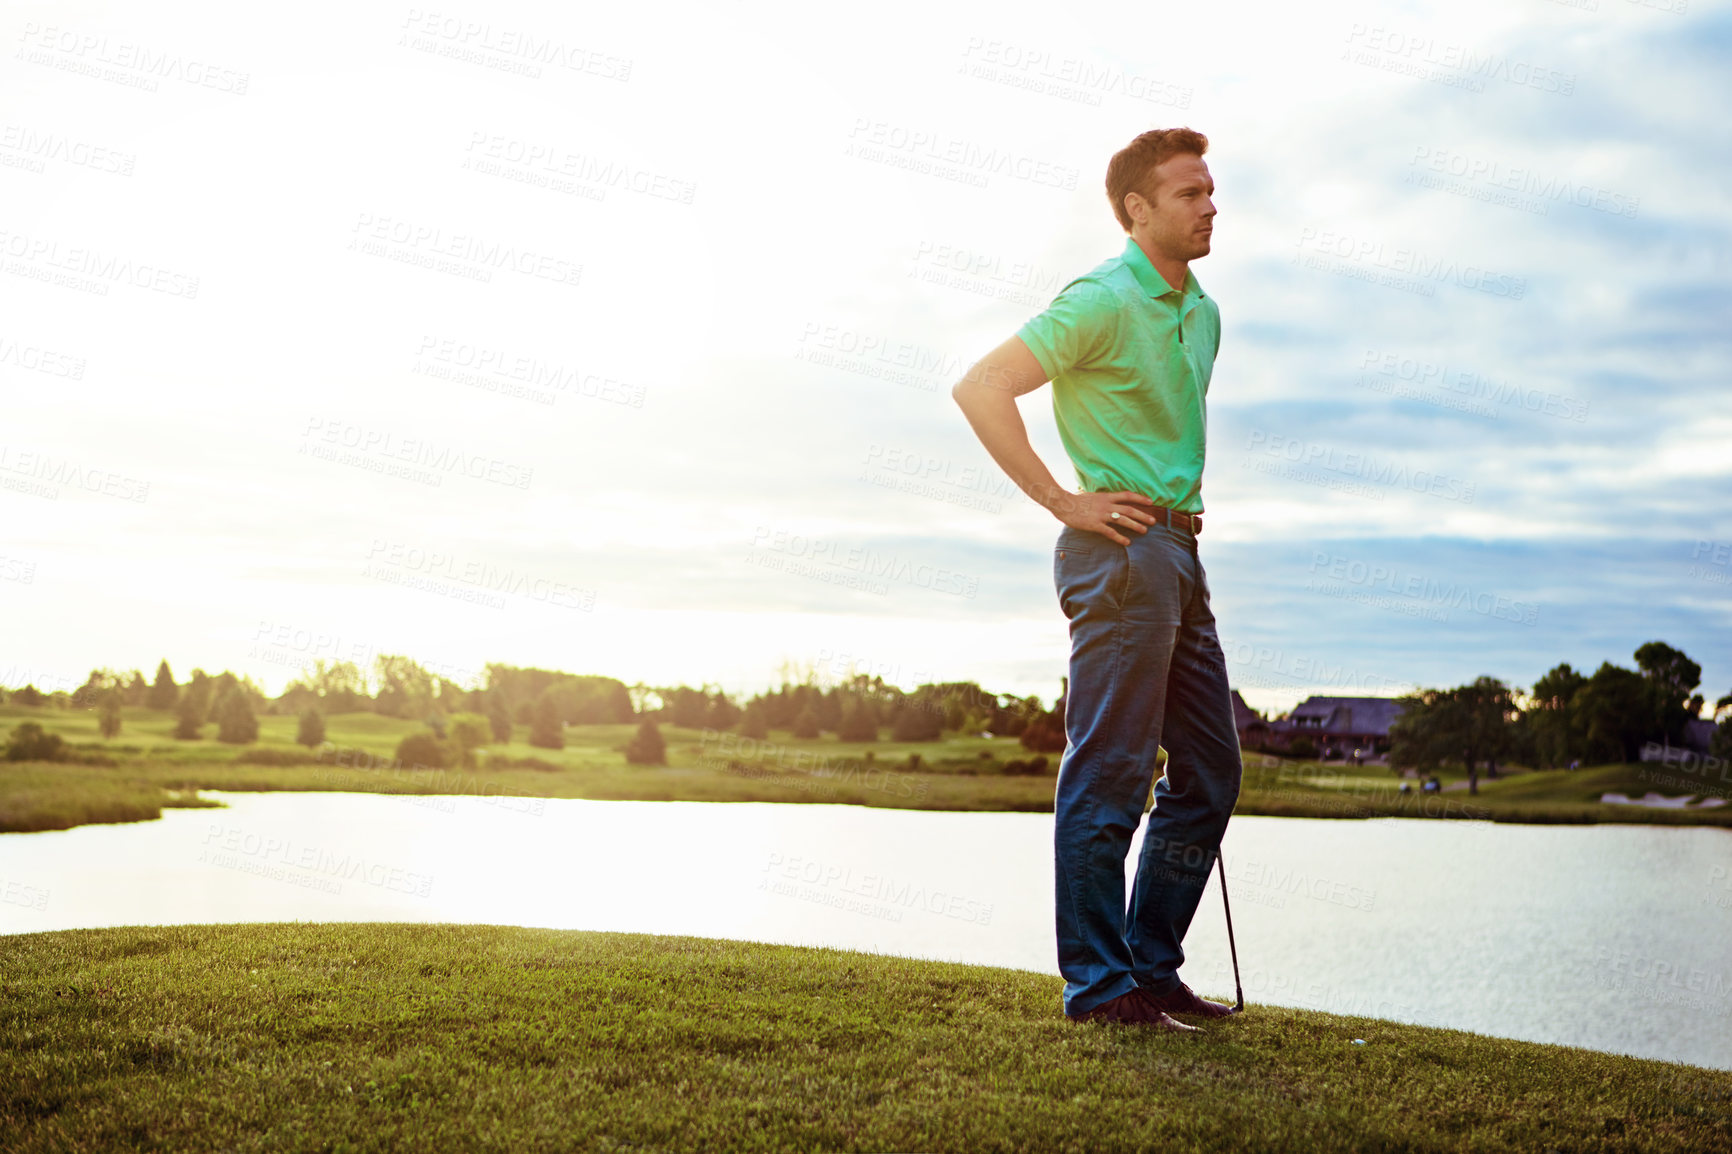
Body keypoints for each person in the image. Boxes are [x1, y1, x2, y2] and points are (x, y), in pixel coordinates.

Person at [951, 127, 1238, 1032]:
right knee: (1110, 772)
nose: (1209, 206)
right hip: (1118, 551)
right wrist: (1060, 500)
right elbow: (983, 385)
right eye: (1189, 193)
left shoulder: (1205, 312)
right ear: (1136, 209)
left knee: (1210, 773)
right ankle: (1100, 988)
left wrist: (1180, 535)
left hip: (1178, 552)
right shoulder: (1102, 298)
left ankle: (1149, 970)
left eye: (1211, 191)